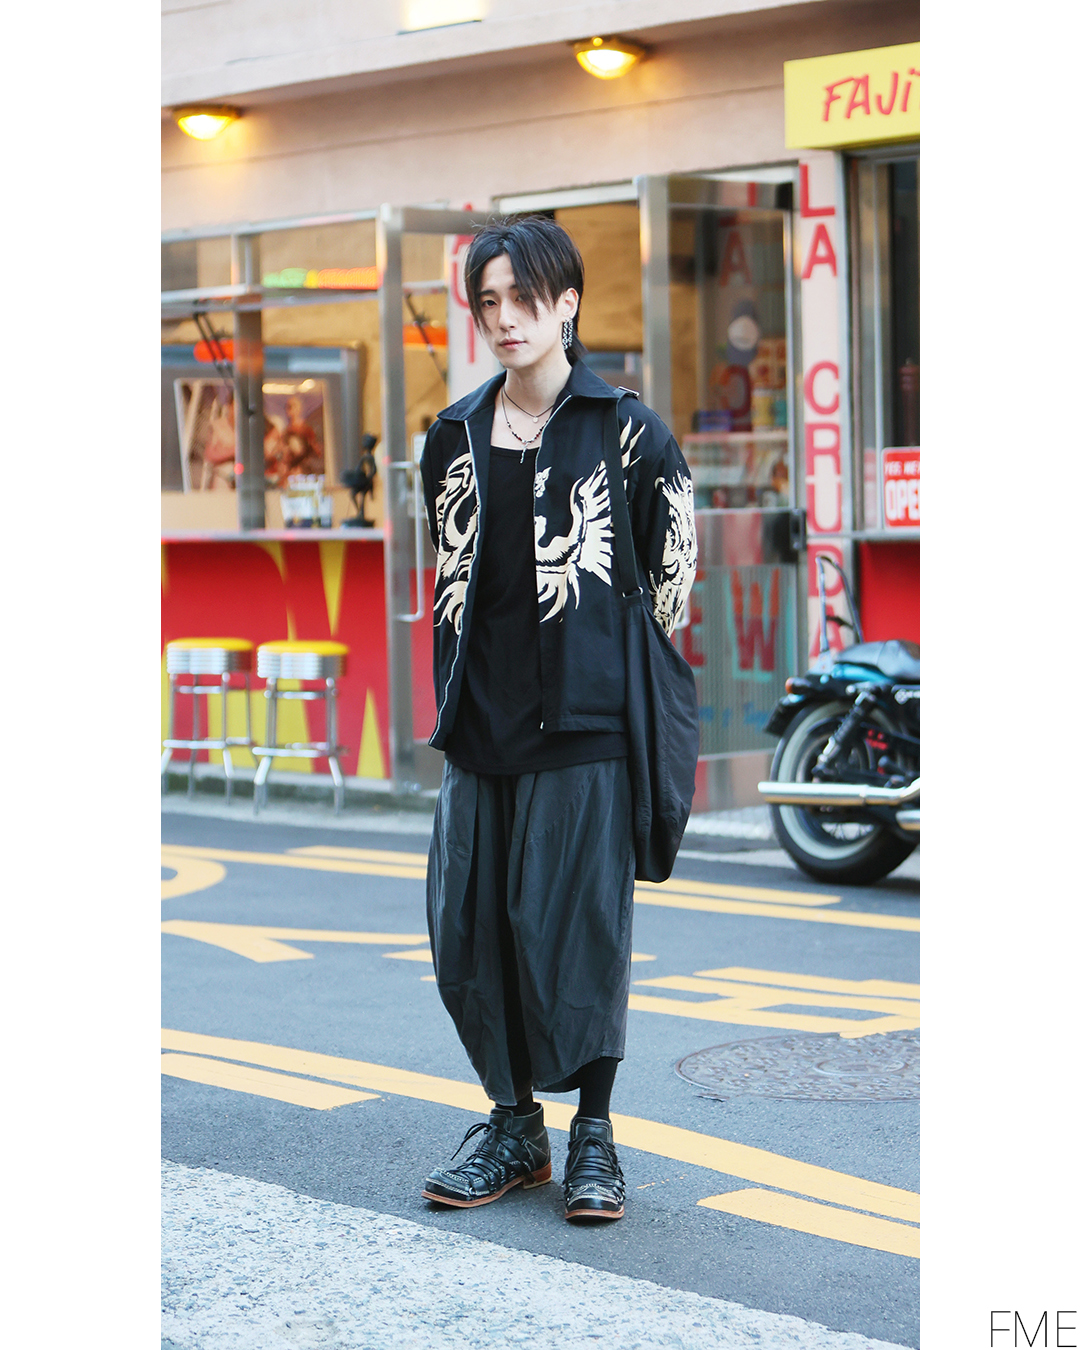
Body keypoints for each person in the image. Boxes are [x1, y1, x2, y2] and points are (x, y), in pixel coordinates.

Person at [418, 216, 697, 1223]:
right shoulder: (451, 436)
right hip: (479, 723)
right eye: (488, 301)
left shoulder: (628, 432)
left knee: (577, 931)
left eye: (523, 299)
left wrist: (595, 668)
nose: (505, 318)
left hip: (585, 728)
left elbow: (671, 586)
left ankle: (594, 1136)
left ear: (567, 302)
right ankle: (514, 1128)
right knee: (470, 932)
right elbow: (451, 569)